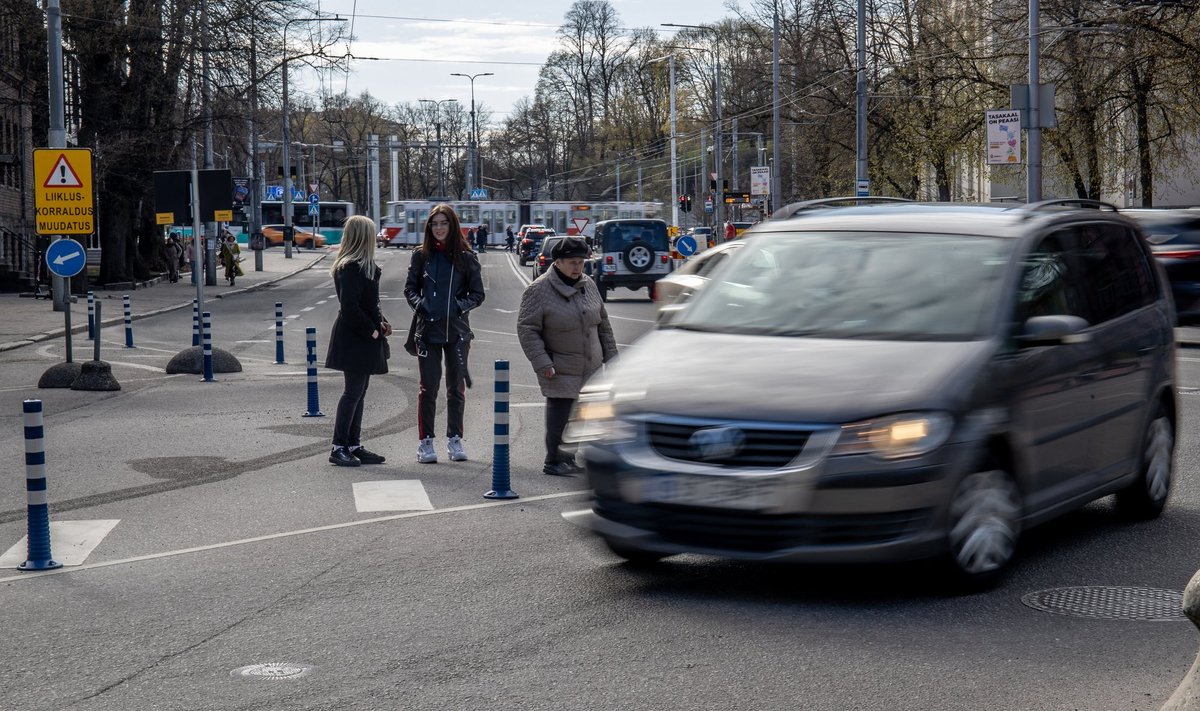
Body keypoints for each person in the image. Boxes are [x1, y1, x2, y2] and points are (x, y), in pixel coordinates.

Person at [518, 236, 617, 476]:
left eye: (581, 263)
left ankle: (569, 458)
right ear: (558, 262)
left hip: (590, 365)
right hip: (559, 365)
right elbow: (527, 329)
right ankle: (553, 460)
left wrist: (612, 358)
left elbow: (603, 324)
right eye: (572, 262)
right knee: (560, 415)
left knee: (582, 416)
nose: (577, 268)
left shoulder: (588, 285)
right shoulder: (538, 290)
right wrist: (542, 362)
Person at [404, 204, 486, 464]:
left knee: (456, 389)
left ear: (453, 226)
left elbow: (478, 294)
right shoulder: (420, 256)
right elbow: (410, 289)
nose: (439, 228)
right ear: (429, 227)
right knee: (428, 389)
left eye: (444, 223)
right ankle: (425, 442)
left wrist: (457, 307)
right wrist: (421, 304)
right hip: (427, 331)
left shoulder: (467, 257)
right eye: (434, 224)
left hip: (457, 333)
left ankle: (454, 438)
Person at [324, 215, 392, 467]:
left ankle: (353, 444)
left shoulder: (363, 266)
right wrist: (372, 331)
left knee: (359, 392)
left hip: (363, 336)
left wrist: (381, 322)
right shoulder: (350, 267)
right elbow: (350, 307)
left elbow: (369, 303)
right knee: (352, 392)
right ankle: (338, 446)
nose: (375, 238)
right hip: (355, 338)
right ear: (363, 236)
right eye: (372, 233)